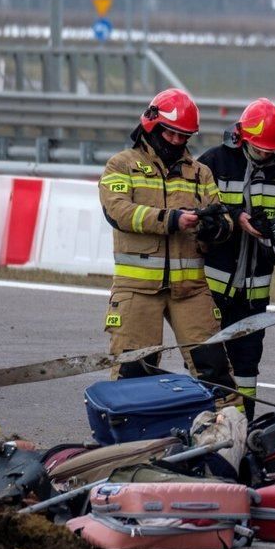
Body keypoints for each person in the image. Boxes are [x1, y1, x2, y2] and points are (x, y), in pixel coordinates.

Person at [98, 88, 239, 408]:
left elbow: (223, 219)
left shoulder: (200, 173)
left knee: (215, 372)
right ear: (151, 125)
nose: (177, 140)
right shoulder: (120, 166)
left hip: (190, 290)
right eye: (171, 132)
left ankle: (233, 438)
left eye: (184, 135)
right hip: (136, 291)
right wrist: (171, 219)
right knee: (134, 375)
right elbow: (119, 213)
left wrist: (216, 227)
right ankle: (132, 445)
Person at [198, 98, 275, 419]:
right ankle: (208, 424)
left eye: (271, 150)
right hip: (213, 287)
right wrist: (236, 219)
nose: (265, 154)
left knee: (247, 364)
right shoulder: (214, 163)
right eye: (260, 148)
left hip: (254, 291)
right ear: (244, 137)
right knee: (210, 361)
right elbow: (198, 208)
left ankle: (244, 427)